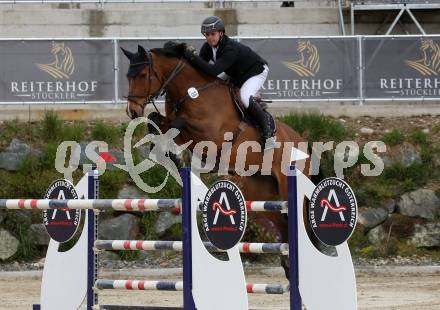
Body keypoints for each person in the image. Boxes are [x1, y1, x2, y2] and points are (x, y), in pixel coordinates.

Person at [183, 16, 276, 150]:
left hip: (256, 70)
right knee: (214, 86)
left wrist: (192, 57)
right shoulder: (207, 47)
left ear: (221, 33)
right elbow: (200, 70)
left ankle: (269, 131)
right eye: (207, 35)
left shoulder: (230, 48)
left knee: (244, 96)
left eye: (213, 34)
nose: (210, 38)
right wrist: (188, 61)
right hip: (236, 72)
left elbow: (213, 70)